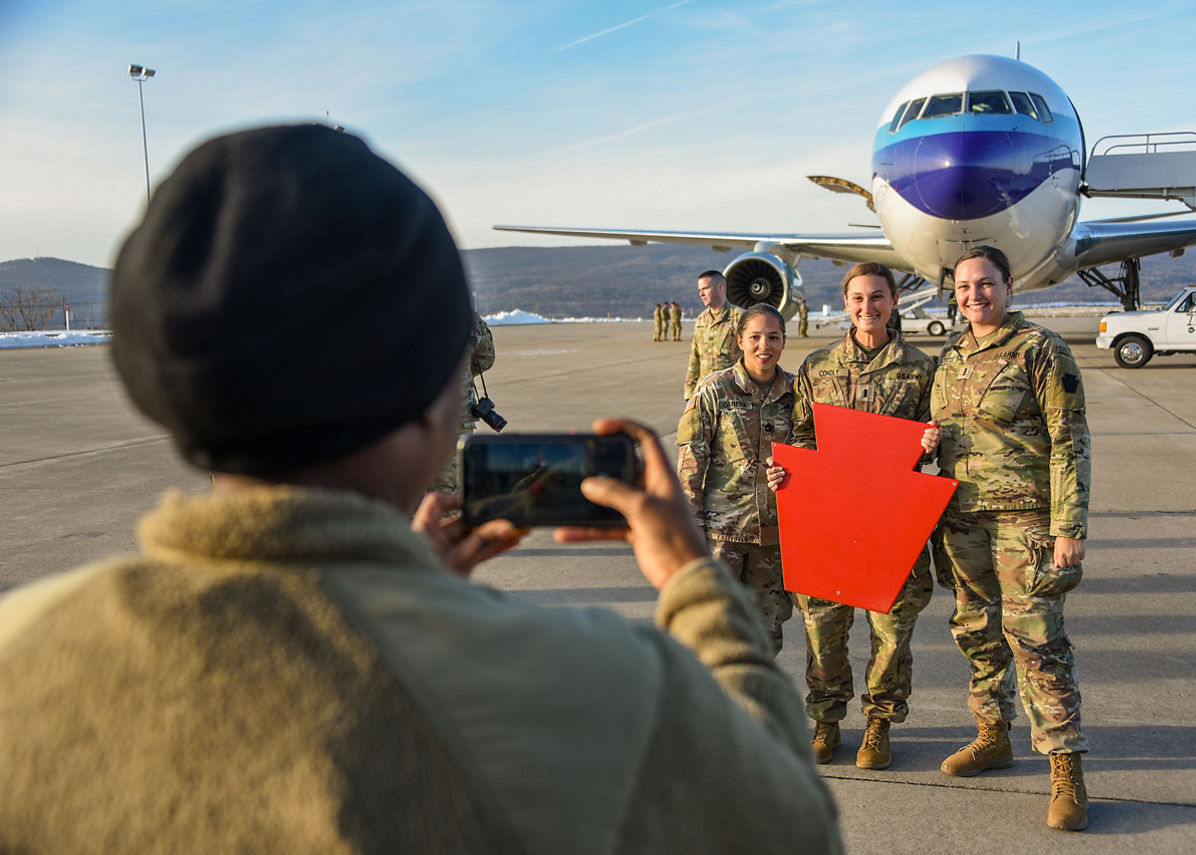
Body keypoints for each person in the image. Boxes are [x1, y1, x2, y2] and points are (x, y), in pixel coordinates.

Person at [0, 125, 842, 854]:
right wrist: (699, 589)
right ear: (442, 397)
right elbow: (789, 824)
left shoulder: (20, 656)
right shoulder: (598, 688)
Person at [921, 244, 1091, 832]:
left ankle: (1065, 766)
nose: (975, 296)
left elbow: (1070, 441)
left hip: (1027, 521)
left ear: (1009, 285)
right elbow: (940, 435)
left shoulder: (1040, 350)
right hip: (962, 518)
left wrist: (1069, 526)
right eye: (965, 287)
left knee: (1037, 639)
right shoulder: (950, 356)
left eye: (985, 284)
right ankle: (992, 735)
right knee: (976, 630)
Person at [767, 262, 935, 769]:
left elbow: (932, 444)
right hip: (830, 521)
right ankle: (826, 720)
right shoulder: (817, 368)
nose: (869, 307)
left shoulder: (921, 369)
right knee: (823, 626)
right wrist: (788, 471)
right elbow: (801, 435)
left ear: (894, 301)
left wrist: (930, 444)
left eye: (878, 297)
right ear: (846, 303)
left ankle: (879, 723)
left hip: (890, 523)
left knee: (890, 632)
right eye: (859, 298)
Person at [676, 304, 795, 655]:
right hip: (721, 536)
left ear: (783, 341)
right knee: (712, 635)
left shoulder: (796, 393)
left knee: (765, 638)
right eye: (755, 337)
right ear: (740, 340)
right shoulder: (715, 390)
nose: (764, 346)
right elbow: (690, 464)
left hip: (773, 539)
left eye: (773, 337)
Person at [432, 309, 496, 494]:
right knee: (447, 499)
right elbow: (486, 358)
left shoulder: (390, 305)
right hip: (454, 422)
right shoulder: (461, 311)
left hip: (399, 427)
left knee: (401, 503)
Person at [684, 270, 745, 399]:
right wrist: (689, 393)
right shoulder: (701, 319)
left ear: (720, 287)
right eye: (700, 290)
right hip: (703, 393)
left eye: (705, 288)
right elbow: (695, 357)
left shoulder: (740, 317)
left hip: (732, 393)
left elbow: (752, 358)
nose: (701, 294)